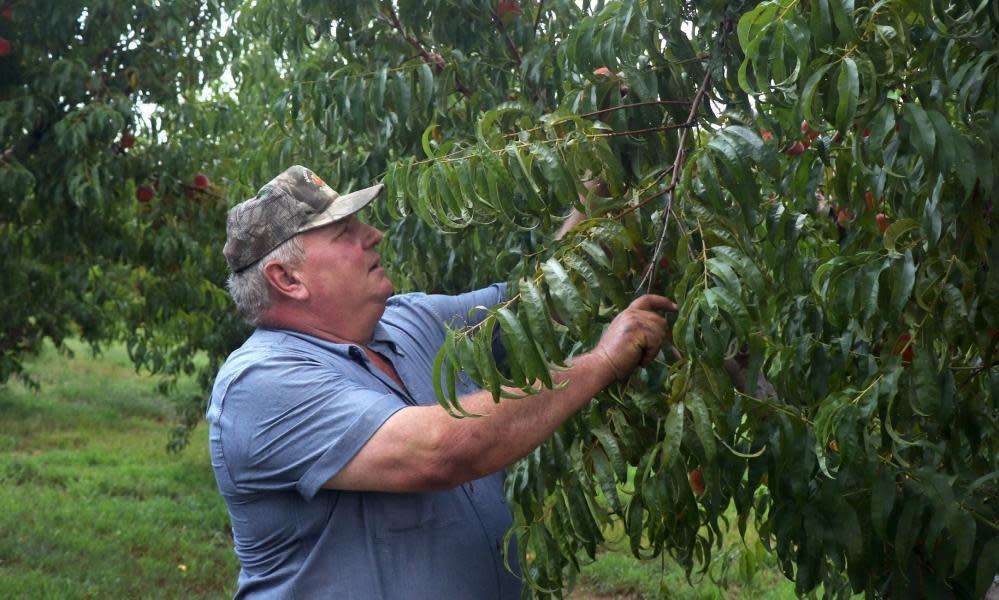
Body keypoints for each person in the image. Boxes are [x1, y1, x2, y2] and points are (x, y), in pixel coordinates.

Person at [207, 165, 675, 599]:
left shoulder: (410, 321)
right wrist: (599, 364)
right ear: (287, 277)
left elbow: (544, 302)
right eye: (346, 232)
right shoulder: (259, 386)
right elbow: (439, 452)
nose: (375, 235)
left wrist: (599, 175)